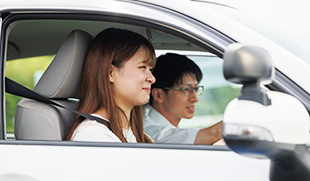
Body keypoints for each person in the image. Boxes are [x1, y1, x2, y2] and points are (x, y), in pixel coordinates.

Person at [66, 28, 156, 143]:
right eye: (143, 67)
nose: (152, 78)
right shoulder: (94, 136)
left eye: (151, 69)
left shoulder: (134, 134)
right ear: (110, 73)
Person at [144, 53, 223, 145]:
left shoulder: (170, 127)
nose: (195, 98)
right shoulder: (149, 131)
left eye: (196, 89)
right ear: (158, 95)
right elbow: (213, 134)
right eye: (186, 89)